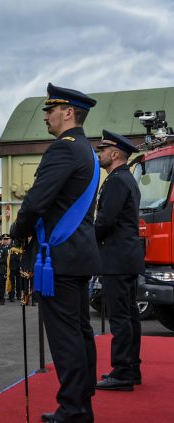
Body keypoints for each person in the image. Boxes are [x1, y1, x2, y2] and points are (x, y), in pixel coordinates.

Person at [10, 83, 100, 423]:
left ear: (68, 112)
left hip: (58, 257)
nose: (46, 116)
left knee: (65, 338)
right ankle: (82, 403)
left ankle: (74, 410)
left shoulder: (63, 149)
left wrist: (17, 231)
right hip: (78, 254)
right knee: (80, 331)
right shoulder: (87, 150)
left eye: (51, 110)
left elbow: (36, 201)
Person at [94, 130, 144, 391]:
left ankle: (122, 372)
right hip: (126, 257)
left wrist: (86, 241)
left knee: (120, 317)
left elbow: (105, 221)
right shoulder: (126, 179)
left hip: (116, 258)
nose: (99, 155)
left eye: (102, 150)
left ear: (115, 154)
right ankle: (132, 368)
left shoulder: (116, 181)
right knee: (130, 315)